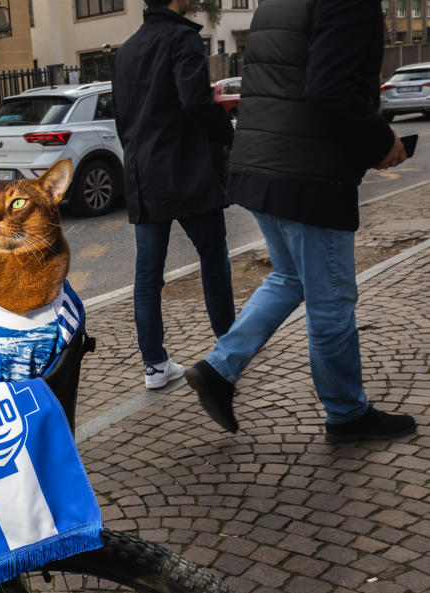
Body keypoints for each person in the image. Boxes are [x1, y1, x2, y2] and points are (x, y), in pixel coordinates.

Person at [184, 0, 416, 444]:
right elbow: (329, 89)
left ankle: (218, 369)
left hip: (261, 165)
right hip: (309, 174)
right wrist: (380, 140)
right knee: (331, 301)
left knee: (290, 278)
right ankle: (347, 414)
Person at [110, 0, 236, 390]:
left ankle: (155, 366)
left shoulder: (125, 50)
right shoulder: (182, 38)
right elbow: (196, 101)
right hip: (187, 171)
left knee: (148, 275)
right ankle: (229, 349)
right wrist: (228, 133)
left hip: (142, 175)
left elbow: (122, 119)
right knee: (214, 260)